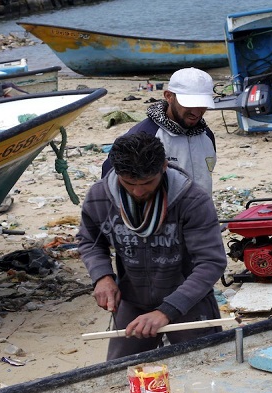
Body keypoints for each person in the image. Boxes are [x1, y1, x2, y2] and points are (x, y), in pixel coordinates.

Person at [78, 132, 227, 360]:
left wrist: (166, 311)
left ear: (163, 166)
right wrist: (102, 276)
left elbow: (211, 263)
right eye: (129, 183)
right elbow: (90, 241)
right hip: (133, 301)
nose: (138, 191)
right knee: (120, 372)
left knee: (204, 368)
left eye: (148, 182)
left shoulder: (192, 200)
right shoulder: (100, 197)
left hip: (189, 302)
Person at [101, 67, 217, 195]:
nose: (196, 112)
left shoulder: (206, 135)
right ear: (169, 96)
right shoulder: (144, 136)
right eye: (189, 104)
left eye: (202, 105)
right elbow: (109, 179)